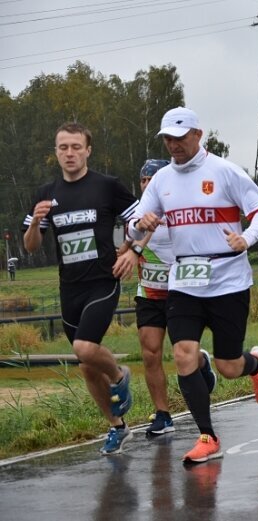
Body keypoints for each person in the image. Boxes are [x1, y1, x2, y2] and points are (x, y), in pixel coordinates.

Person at [128, 107, 258, 465]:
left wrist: (247, 239)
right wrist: (140, 223)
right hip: (185, 282)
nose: (173, 145)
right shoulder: (161, 179)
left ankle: (255, 365)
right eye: (168, 139)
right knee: (183, 354)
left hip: (228, 279)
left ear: (198, 134)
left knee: (227, 365)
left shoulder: (224, 171)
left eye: (180, 137)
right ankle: (207, 436)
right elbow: (135, 226)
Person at [23, 122, 140, 454]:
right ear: (56, 153)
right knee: (87, 365)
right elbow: (31, 246)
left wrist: (132, 250)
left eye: (76, 147)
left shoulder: (106, 186)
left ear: (88, 150)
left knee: (85, 349)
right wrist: (34, 222)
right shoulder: (46, 194)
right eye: (63, 148)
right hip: (69, 288)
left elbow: (141, 219)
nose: (70, 153)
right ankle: (117, 427)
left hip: (102, 282)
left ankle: (119, 376)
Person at [122, 159, 217, 437]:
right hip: (149, 293)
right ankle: (163, 414)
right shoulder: (138, 214)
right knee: (150, 352)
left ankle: (202, 362)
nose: (148, 184)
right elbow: (126, 242)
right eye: (143, 180)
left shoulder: (177, 209)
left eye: (153, 179)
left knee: (181, 354)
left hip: (180, 293)